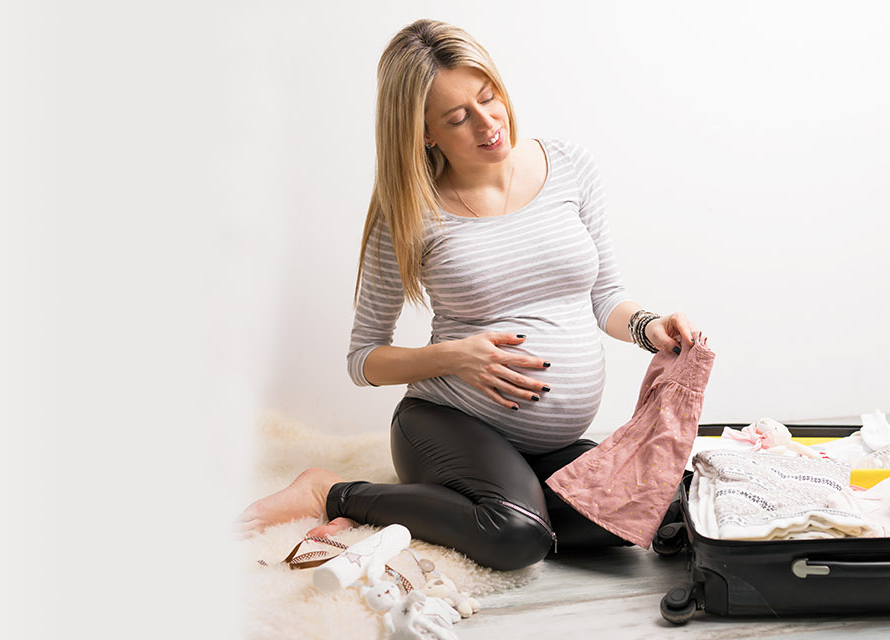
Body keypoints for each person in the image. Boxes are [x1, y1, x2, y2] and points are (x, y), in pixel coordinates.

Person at [238, 19, 702, 572]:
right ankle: (331, 493)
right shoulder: (409, 209)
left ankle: (501, 499)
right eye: (458, 118)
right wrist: (457, 356)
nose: (488, 124)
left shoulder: (570, 167)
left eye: (489, 98)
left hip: (548, 444)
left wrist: (650, 326)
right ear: (424, 132)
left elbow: (606, 296)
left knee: (655, 506)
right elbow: (364, 360)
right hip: (446, 422)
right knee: (516, 536)